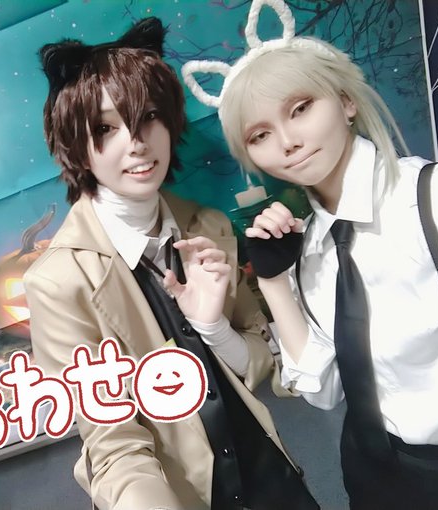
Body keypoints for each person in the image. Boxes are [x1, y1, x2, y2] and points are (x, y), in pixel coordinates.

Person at [182, 0, 438, 509]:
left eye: (300, 108)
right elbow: (325, 392)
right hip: (374, 479)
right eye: (260, 135)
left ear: (345, 101)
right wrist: (274, 280)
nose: (288, 142)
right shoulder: (310, 248)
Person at [25, 16, 319, 510]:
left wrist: (214, 329)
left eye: (147, 117)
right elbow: (113, 447)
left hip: (272, 480)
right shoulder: (58, 283)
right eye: (105, 128)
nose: (136, 143)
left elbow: (259, 363)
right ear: (75, 144)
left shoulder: (209, 226)